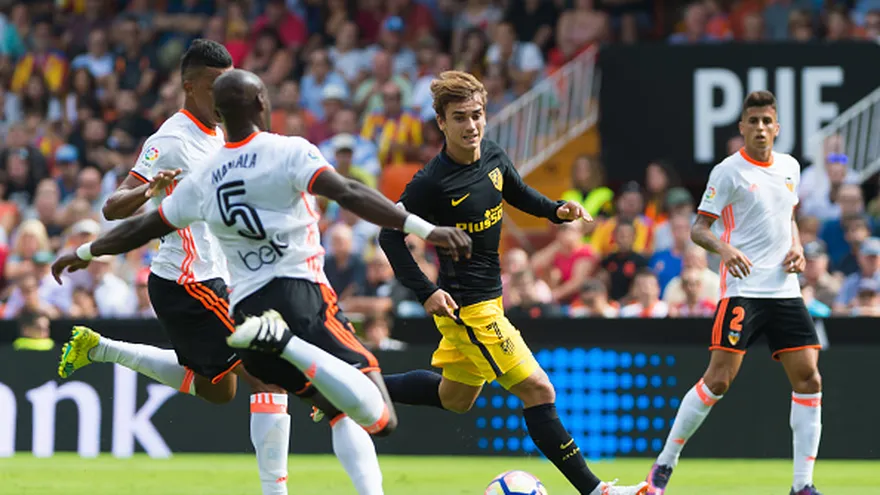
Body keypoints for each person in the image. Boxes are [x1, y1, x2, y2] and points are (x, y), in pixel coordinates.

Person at [52, 68, 472, 495]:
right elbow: (350, 193)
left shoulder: (205, 176)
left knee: (302, 400)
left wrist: (84, 252)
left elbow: (140, 229)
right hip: (302, 296)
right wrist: (425, 230)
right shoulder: (288, 151)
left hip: (248, 308)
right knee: (379, 415)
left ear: (218, 112)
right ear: (262, 106)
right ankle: (289, 347)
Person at [375, 70, 647, 495]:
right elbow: (389, 234)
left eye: (477, 115)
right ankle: (598, 491)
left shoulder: (493, 156)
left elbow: (517, 192)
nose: (471, 126)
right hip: (468, 308)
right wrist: (426, 290)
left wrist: (557, 209)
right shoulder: (432, 181)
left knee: (455, 398)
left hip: (490, 300)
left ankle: (350, 388)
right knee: (539, 389)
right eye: (460, 118)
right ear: (442, 123)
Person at [56, 40, 295, 495]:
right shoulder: (170, 140)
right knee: (269, 371)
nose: (223, 93)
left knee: (218, 390)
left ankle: (102, 349)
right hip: (191, 280)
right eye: (213, 85)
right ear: (189, 87)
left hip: (217, 278)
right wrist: (147, 192)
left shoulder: (228, 133)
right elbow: (112, 206)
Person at [646, 91, 823, 495]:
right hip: (743, 289)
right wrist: (725, 250)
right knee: (719, 380)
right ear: (742, 127)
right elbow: (698, 229)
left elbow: (787, 215)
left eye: (767, 121)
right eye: (753, 121)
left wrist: (797, 246)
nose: (760, 128)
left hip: (785, 289)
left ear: (777, 128)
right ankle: (665, 463)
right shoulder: (728, 172)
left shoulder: (790, 167)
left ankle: (802, 485)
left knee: (809, 378)